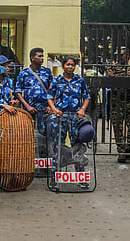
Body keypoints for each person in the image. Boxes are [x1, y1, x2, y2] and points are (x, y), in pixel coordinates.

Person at [46, 56, 91, 184]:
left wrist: (82, 109)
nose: (70, 67)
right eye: (68, 64)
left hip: (75, 118)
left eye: (72, 65)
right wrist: (54, 110)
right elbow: (49, 97)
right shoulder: (57, 80)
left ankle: (81, 178)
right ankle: (55, 178)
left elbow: (86, 97)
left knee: (77, 147)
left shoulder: (80, 80)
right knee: (57, 147)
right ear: (63, 66)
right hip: (60, 118)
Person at [15, 47, 56, 168]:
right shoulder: (24, 73)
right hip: (29, 111)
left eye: (43, 56)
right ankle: (29, 165)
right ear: (32, 58)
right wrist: (27, 106)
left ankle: (44, 166)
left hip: (44, 111)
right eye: (39, 56)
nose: (42, 58)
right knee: (29, 138)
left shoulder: (47, 72)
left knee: (44, 138)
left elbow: (53, 90)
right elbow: (17, 91)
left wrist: (51, 106)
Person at [107, 46, 130, 163]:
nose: (119, 57)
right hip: (117, 100)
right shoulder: (112, 67)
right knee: (118, 127)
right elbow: (106, 83)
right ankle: (121, 152)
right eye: (118, 55)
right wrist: (110, 77)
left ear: (127, 55)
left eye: (121, 55)